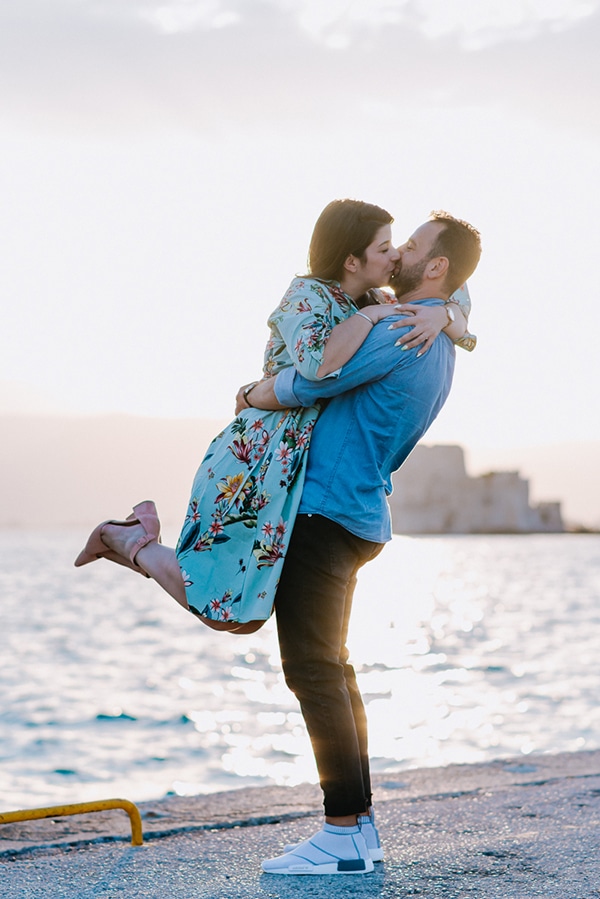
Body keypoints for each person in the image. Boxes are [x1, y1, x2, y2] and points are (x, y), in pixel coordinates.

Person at [75, 201, 470, 636]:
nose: (396, 255)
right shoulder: (308, 297)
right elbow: (317, 369)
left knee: (244, 616)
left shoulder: (376, 297)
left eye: (401, 246)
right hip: (258, 454)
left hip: (290, 462)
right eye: (387, 247)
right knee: (225, 606)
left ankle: (132, 540)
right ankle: (129, 540)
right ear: (352, 259)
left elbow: (457, 288)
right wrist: (370, 316)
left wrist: (445, 314)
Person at [235, 210, 482, 875]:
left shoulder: (403, 329)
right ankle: (360, 826)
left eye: (411, 247)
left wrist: (253, 392)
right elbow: (462, 292)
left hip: (326, 511)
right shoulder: (435, 328)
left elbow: (317, 375)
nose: (396, 252)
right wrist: (454, 314)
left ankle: (342, 830)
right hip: (356, 512)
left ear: (434, 268)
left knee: (312, 669)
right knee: (334, 669)